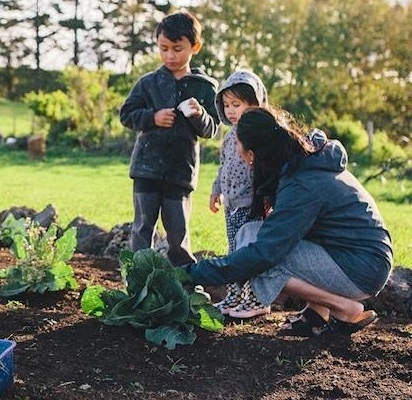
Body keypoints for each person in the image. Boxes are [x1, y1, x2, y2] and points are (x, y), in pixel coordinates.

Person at [183, 107, 393, 337]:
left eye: (237, 143)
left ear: (252, 153)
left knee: (263, 257)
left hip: (362, 267)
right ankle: (317, 311)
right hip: (354, 255)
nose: (236, 149)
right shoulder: (300, 162)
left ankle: (345, 308)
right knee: (249, 233)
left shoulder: (302, 183)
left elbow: (264, 254)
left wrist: (191, 273)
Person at [119, 11, 220, 266]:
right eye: (163, 49)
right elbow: (127, 114)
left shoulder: (205, 87)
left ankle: (184, 285)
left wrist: (198, 115)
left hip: (180, 173)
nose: (170, 56)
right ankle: (138, 282)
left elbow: (212, 129)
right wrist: (152, 118)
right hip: (146, 169)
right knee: (142, 228)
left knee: (178, 233)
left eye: (177, 49)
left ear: (194, 47)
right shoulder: (148, 83)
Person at [208, 70, 272, 319]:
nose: (231, 111)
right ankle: (234, 295)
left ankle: (256, 299)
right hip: (231, 205)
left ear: (255, 104)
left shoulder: (260, 136)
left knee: (249, 252)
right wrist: (216, 191)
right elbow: (223, 166)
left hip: (252, 205)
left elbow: (267, 170)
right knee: (234, 251)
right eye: (226, 105)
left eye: (237, 104)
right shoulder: (228, 137)